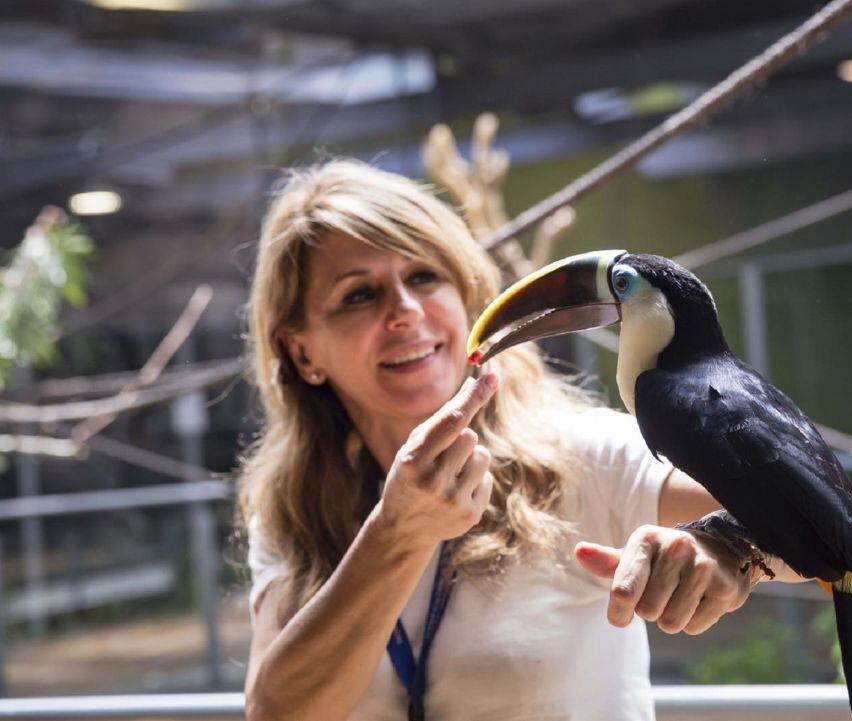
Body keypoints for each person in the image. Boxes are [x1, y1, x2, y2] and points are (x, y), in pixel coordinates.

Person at [239, 159, 801, 721]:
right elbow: (275, 712)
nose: (405, 313)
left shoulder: (583, 453)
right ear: (302, 352)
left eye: (425, 277)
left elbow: (811, 531)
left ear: (465, 296)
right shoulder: (294, 506)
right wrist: (395, 535)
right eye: (359, 295)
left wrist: (728, 548)